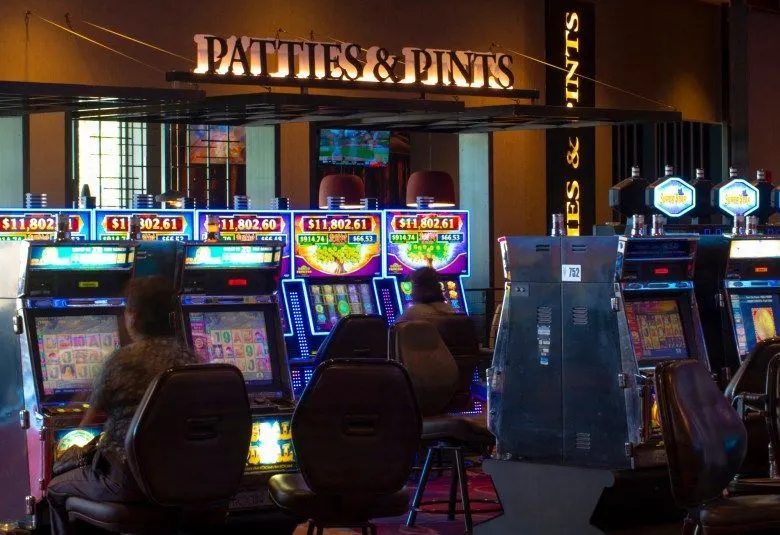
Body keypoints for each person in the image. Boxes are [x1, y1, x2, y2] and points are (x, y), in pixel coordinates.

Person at [47, 276, 199, 535]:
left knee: (55, 486)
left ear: (135, 316)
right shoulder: (189, 358)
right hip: (180, 478)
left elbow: (85, 424)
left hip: (127, 480)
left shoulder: (124, 360)